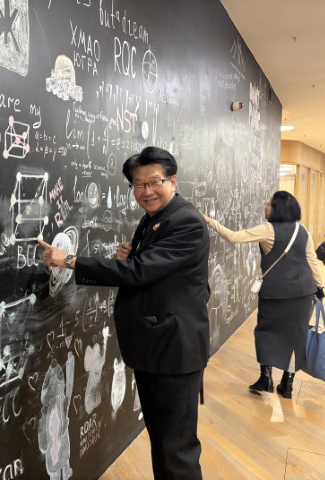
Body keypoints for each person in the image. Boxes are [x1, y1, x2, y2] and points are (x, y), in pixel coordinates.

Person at [38, 146, 210, 480]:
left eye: (154, 182)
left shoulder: (185, 221)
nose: (146, 191)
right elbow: (154, 269)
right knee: (163, 441)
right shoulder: (155, 219)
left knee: (177, 449)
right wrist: (131, 257)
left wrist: (70, 260)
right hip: (157, 348)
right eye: (138, 184)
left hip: (173, 352)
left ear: (173, 181)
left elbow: (140, 272)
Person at [202, 191, 324, 399]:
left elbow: (234, 237)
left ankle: (266, 378)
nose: (265, 206)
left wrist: (209, 221)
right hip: (303, 292)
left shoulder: (268, 230)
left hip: (275, 293)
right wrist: (319, 288)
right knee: (297, 336)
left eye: (268, 203)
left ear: (277, 208)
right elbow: (311, 259)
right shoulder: (302, 230)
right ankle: (287, 384)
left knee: (266, 332)